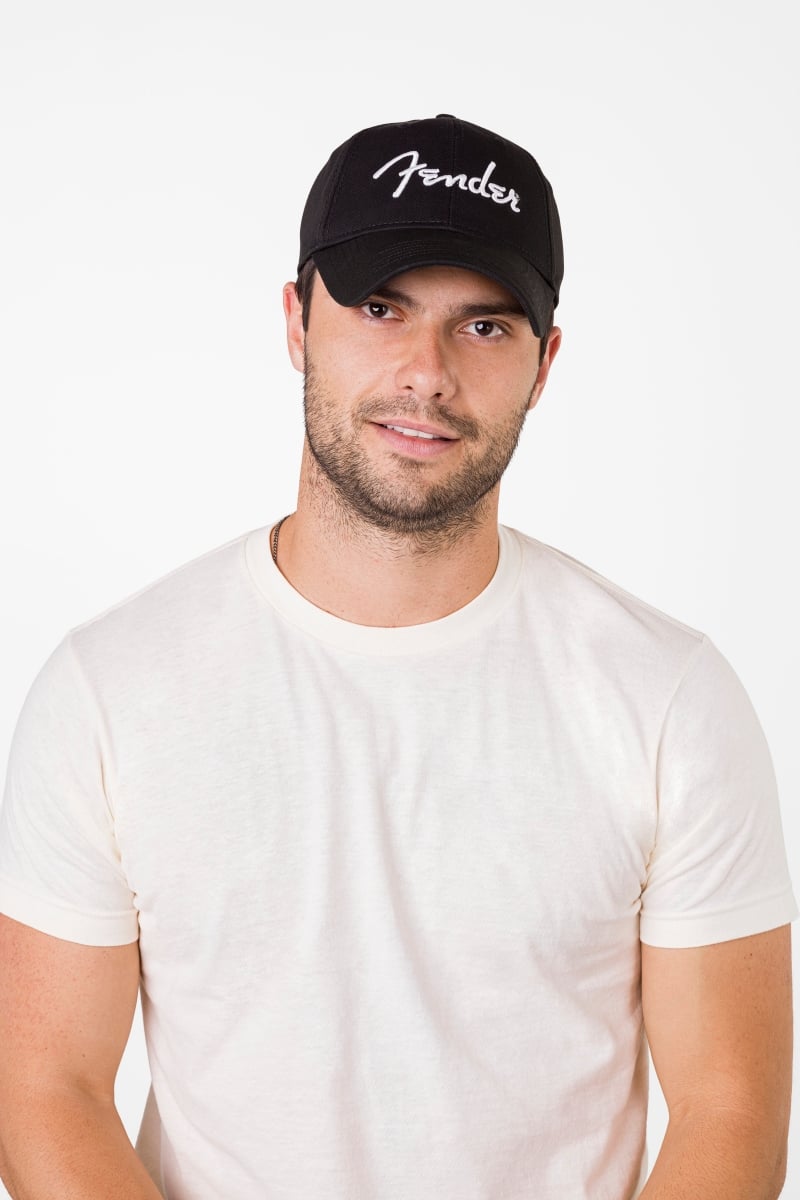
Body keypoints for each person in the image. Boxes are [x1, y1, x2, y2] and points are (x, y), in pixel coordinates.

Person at [0, 114, 795, 1200]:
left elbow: (729, 1111)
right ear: (297, 321)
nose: (425, 374)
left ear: (543, 363)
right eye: (381, 308)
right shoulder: (111, 690)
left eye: (484, 326)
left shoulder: (666, 700)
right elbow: (46, 1095)